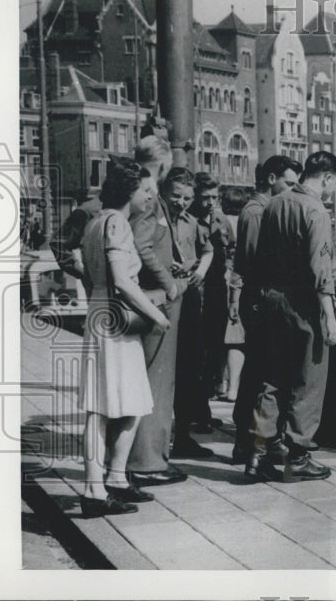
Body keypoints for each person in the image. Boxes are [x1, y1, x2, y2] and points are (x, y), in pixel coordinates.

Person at [246, 151, 336, 483]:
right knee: (308, 379)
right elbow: (321, 269)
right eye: (335, 184)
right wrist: (330, 318)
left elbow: (259, 256)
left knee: (272, 377)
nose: (333, 191)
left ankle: (258, 453)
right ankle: (299, 455)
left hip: (272, 299)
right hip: (303, 303)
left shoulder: (275, 203)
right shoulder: (316, 210)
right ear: (328, 178)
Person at [79, 161, 168, 517]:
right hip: (118, 319)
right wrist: (155, 313)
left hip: (100, 312)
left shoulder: (94, 222)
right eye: (145, 190)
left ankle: (112, 479)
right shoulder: (118, 223)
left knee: (115, 402)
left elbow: (90, 275)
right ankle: (94, 489)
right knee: (108, 406)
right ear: (129, 191)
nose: (149, 196)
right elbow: (123, 279)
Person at [229, 156, 302, 463]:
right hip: (259, 300)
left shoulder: (264, 209)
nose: (292, 190)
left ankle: (249, 442)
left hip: (259, 298)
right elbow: (253, 260)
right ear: (271, 179)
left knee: (259, 371)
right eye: (288, 183)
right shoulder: (258, 211)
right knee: (261, 373)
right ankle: (249, 442)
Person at [126, 137, 189, 487]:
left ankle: (143, 456)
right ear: (163, 164)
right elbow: (141, 243)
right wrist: (169, 282)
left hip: (148, 295)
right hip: (158, 300)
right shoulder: (149, 195)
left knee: (150, 380)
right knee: (158, 383)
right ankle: (148, 461)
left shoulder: (137, 189)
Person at [160, 167, 215, 458]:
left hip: (189, 296)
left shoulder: (191, 222)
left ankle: (182, 435)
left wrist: (200, 272)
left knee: (189, 367)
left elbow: (208, 250)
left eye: (187, 197)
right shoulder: (154, 220)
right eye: (176, 196)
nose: (181, 202)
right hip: (164, 296)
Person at [189, 174, 238, 414]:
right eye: (205, 197)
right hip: (195, 291)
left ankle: (204, 407)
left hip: (218, 291)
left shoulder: (222, 220)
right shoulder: (188, 220)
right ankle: (197, 410)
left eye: (214, 197)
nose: (210, 202)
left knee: (215, 348)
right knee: (196, 351)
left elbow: (231, 249)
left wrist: (229, 271)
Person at [49, 189, 103, 283]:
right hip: (102, 288)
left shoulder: (132, 208)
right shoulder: (87, 211)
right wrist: (82, 272)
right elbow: (58, 243)